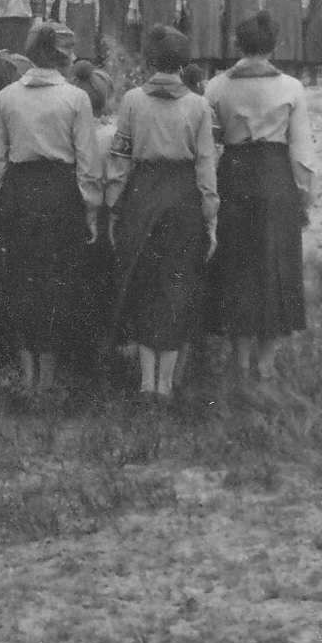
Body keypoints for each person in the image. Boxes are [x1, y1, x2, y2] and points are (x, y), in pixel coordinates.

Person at [0, 22, 107, 396]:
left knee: (22, 279)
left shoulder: (6, 97)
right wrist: (90, 209)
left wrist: (1, 201)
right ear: (63, 58)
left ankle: (27, 375)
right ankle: (48, 377)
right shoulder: (75, 99)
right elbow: (87, 161)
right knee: (57, 282)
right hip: (61, 193)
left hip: (20, 192)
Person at [106, 23, 215, 399]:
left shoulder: (132, 100)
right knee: (176, 284)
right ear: (183, 63)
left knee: (144, 280)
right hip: (183, 196)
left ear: (151, 60)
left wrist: (112, 206)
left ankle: (146, 379)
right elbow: (205, 164)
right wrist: (210, 212)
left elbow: (120, 159)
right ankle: (166, 384)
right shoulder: (199, 104)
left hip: (142, 194)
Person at [206, 9, 314, 386]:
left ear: (237, 44)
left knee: (237, 267)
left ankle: (239, 360)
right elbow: (300, 149)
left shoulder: (217, 86)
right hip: (275, 176)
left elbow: (210, 143)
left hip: (233, 174)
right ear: (275, 45)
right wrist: (304, 193)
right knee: (276, 267)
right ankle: (265, 364)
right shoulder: (291, 87)